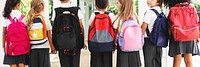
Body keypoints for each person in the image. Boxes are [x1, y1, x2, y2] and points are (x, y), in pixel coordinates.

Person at [163, 0, 200, 67]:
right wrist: (197, 36)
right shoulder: (191, 7)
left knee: (177, 59)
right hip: (190, 35)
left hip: (177, 35)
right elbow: (196, 22)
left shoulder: (173, 9)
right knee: (189, 60)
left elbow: (169, 26)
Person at [51, 0, 85, 67]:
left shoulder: (56, 11)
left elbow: (54, 28)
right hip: (76, 43)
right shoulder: (76, 10)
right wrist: (82, 41)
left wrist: (53, 44)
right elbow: (81, 26)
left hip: (61, 44)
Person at [26, 0, 56, 67]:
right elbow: (49, 35)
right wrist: (52, 47)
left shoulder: (28, 20)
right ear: (43, 8)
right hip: (44, 48)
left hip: (32, 48)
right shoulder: (44, 19)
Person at [113, 0, 141, 67]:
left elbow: (115, 30)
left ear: (123, 5)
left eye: (118, 3)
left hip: (123, 47)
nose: (116, 4)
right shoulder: (135, 17)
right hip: (135, 47)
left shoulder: (119, 18)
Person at [88, 0, 115, 67]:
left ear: (95, 6)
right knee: (107, 63)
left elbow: (90, 29)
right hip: (108, 44)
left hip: (95, 44)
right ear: (108, 5)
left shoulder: (93, 15)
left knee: (95, 62)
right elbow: (114, 30)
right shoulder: (111, 15)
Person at [2, 0, 28, 67]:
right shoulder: (23, 17)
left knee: (13, 64)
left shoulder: (7, 18)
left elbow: (4, 33)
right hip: (22, 47)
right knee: (21, 64)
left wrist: (3, 45)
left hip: (11, 46)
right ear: (18, 5)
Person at [141, 0, 163, 67]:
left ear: (158, 2)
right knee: (157, 62)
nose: (148, 1)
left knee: (149, 63)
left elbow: (143, 27)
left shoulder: (149, 12)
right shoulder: (161, 12)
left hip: (149, 41)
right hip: (159, 41)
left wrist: (139, 39)